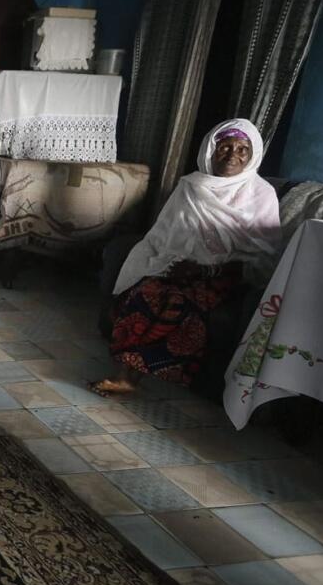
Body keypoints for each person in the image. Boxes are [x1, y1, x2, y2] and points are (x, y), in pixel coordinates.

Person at [90, 118, 281, 396]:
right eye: (225, 147)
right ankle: (128, 374)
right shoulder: (191, 186)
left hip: (228, 275)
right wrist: (175, 261)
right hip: (181, 265)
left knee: (178, 302)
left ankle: (131, 377)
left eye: (242, 150)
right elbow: (167, 233)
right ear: (210, 150)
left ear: (253, 157)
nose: (232, 155)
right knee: (147, 291)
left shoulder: (262, 194)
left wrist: (208, 269)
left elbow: (264, 253)